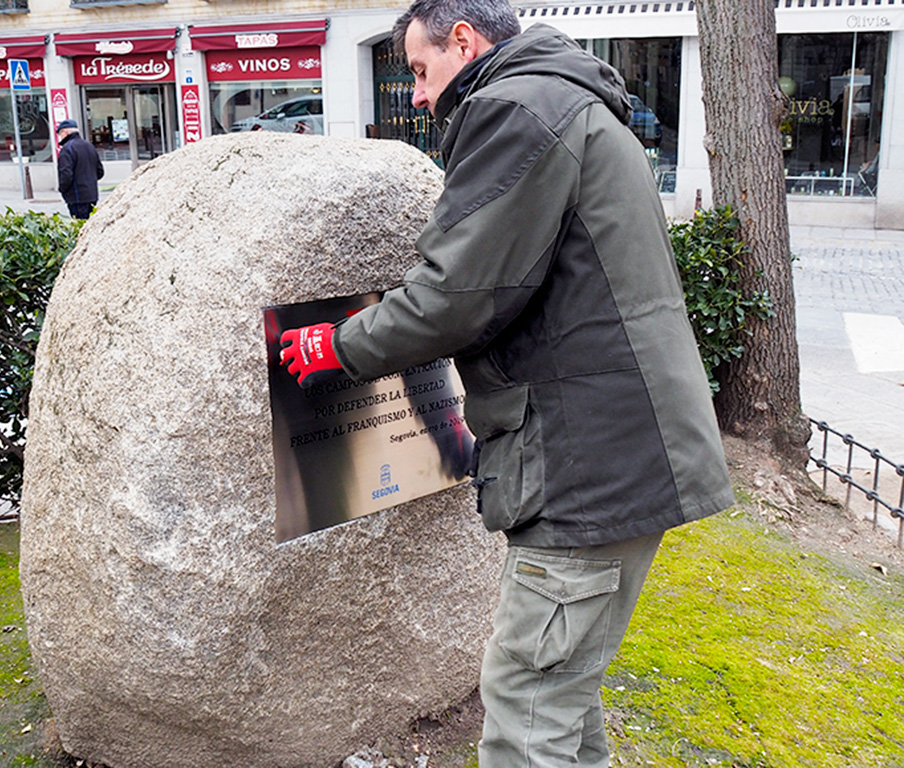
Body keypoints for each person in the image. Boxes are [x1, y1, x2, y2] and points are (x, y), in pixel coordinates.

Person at [278, 1, 735, 765]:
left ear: (465, 40)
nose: (418, 95)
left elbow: (458, 293)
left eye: (420, 71)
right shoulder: (569, 99)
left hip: (585, 468)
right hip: (621, 450)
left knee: (528, 705)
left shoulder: (516, 109)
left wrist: (339, 345)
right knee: (562, 694)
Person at [56, 119, 104, 220]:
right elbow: (100, 171)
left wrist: (62, 189)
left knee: (80, 225)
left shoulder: (67, 149)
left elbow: (66, 174)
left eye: (60, 134)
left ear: (64, 132)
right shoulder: (89, 146)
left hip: (76, 196)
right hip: (92, 195)